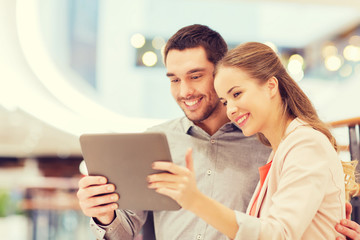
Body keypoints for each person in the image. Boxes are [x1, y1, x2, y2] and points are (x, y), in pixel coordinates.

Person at [77, 24, 360, 239]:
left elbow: (280, 230)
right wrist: (104, 214)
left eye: (196, 76)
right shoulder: (155, 141)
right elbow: (125, 230)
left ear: (221, 72)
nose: (184, 91)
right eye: (174, 79)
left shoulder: (271, 143)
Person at [147, 41, 357, 239]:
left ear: (271, 86)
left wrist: (195, 201)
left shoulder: (305, 143)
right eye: (225, 101)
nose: (230, 110)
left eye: (237, 94)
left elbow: (278, 234)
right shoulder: (280, 149)